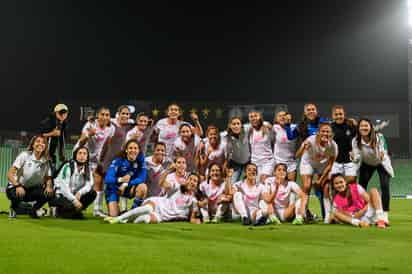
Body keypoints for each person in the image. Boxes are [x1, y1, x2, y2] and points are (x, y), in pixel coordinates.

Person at [105, 173, 201, 224]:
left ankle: (124, 220)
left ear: (197, 185)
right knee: (147, 209)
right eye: (190, 179)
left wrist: (200, 221)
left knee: (143, 220)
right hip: (159, 204)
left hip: (163, 217)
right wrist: (168, 170)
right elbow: (162, 183)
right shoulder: (178, 187)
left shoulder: (194, 201)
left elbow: (193, 219)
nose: (192, 182)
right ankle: (117, 219)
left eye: (195, 181)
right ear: (187, 180)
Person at [351, 118, 393, 225]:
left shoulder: (379, 137)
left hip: (381, 163)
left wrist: (382, 153)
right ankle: (365, 213)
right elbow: (356, 158)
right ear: (358, 128)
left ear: (370, 127)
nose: (364, 128)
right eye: (362, 126)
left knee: (385, 186)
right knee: (361, 188)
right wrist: (353, 157)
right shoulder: (355, 141)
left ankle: (384, 215)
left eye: (366, 126)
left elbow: (383, 151)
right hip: (366, 164)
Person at [74, 106, 114, 217]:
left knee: (99, 180)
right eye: (102, 114)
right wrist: (89, 135)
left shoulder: (111, 129)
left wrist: (102, 161)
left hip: (95, 158)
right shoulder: (90, 125)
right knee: (77, 181)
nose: (105, 117)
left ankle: (97, 210)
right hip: (81, 154)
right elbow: (81, 143)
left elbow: (106, 145)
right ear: (98, 116)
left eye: (107, 115)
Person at [296, 123, 338, 223]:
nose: (325, 133)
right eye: (323, 131)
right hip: (308, 163)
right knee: (306, 186)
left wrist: (320, 180)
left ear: (331, 134)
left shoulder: (333, 146)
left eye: (327, 131)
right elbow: (297, 155)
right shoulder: (310, 140)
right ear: (318, 133)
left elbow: (330, 165)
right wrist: (303, 148)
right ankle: (302, 215)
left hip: (323, 166)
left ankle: (327, 217)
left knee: (326, 187)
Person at [6, 135, 54, 218]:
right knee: (16, 195)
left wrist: (49, 186)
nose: (40, 144)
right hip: (16, 187)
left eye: (43, 143)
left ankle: (33, 211)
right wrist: (17, 186)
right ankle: (13, 208)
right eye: (38, 141)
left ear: (45, 146)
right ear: (32, 144)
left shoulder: (47, 160)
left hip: (32, 190)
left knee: (49, 193)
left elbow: (48, 177)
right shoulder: (24, 155)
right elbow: (9, 174)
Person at [104, 139, 147, 217]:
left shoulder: (141, 159)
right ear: (126, 150)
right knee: (114, 215)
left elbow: (142, 178)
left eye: (135, 148)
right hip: (115, 188)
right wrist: (120, 180)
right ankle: (114, 205)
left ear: (139, 150)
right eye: (130, 148)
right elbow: (107, 179)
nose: (133, 150)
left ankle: (133, 212)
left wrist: (126, 184)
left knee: (143, 187)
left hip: (128, 187)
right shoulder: (118, 160)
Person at [52, 146, 96, 218]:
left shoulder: (88, 168)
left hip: (74, 194)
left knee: (92, 193)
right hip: (60, 195)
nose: (82, 156)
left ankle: (74, 212)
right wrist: (74, 200)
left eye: (85, 154)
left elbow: (89, 185)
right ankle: (59, 211)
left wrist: (80, 192)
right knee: (70, 206)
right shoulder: (68, 166)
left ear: (87, 157)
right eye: (80, 153)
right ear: (75, 155)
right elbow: (64, 189)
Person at [100, 105, 134, 173]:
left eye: (127, 114)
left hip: (117, 158)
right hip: (105, 157)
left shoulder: (128, 125)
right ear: (118, 114)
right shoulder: (111, 122)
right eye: (123, 113)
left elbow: (140, 124)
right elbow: (99, 121)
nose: (125, 116)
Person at [39, 104, 69, 174]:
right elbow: (40, 135)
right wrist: (52, 134)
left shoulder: (64, 123)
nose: (63, 115)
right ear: (56, 113)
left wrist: (62, 155)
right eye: (61, 113)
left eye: (65, 113)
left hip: (52, 155)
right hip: (43, 154)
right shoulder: (49, 121)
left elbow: (61, 139)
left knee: (52, 173)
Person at [330, 105, 358, 182]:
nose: (339, 116)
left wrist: (355, 151)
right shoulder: (330, 127)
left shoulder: (351, 124)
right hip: (335, 162)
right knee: (336, 185)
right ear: (332, 116)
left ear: (344, 114)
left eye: (340, 114)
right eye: (336, 114)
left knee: (351, 184)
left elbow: (359, 138)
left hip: (349, 161)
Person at [247, 111, 274, 183]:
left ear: (260, 117)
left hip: (267, 161)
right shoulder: (249, 129)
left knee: (264, 180)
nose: (253, 118)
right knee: (256, 183)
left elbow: (275, 133)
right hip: (255, 162)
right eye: (251, 117)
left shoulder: (267, 126)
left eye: (255, 116)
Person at [223, 117, 251, 184]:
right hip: (235, 164)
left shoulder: (247, 129)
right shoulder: (225, 135)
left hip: (247, 163)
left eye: (238, 124)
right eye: (234, 124)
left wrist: (267, 125)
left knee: (247, 184)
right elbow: (214, 135)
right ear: (230, 125)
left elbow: (257, 122)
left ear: (241, 125)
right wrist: (202, 142)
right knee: (232, 184)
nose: (236, 126)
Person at [272, 111, 298, 181]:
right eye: (279, 116)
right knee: (279, 186)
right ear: (276, 119)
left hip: (291, 162)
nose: (282, 117)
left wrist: (288, 124)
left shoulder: (294, 127)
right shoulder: (274, 128)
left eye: (284, 115)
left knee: (291, 186)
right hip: (278, 161)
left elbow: (292, 137)